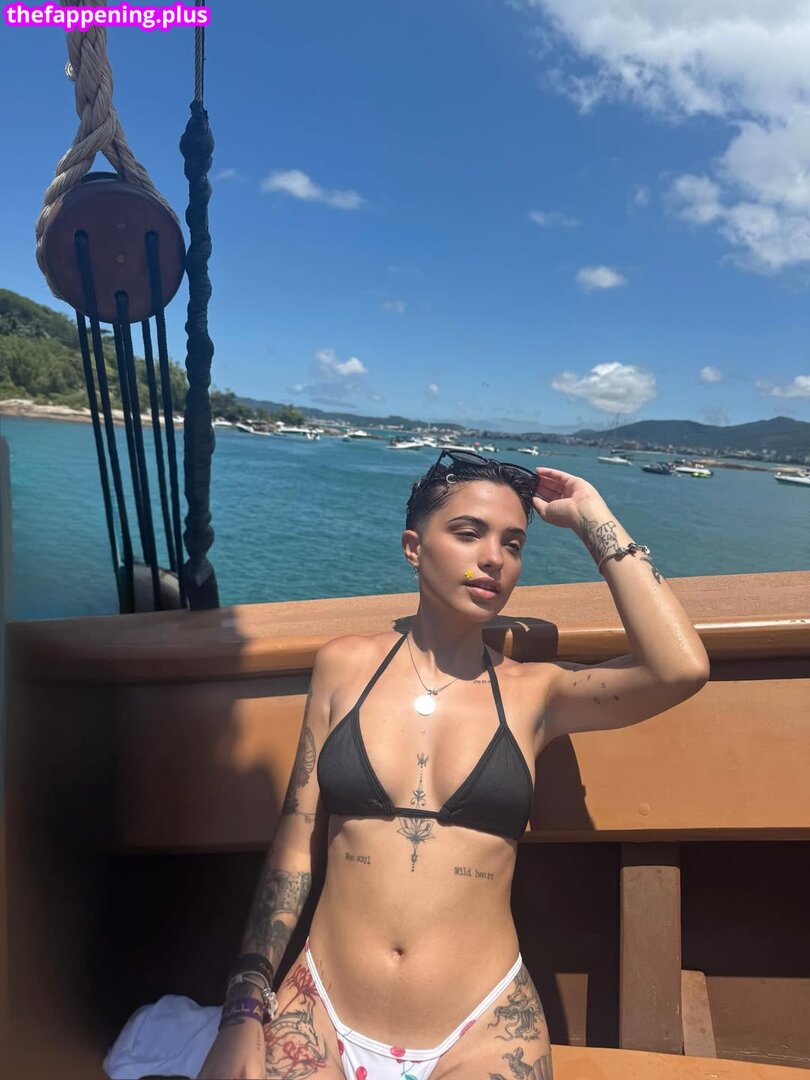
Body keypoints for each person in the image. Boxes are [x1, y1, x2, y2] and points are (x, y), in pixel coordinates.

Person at [198, 452, 710, 1079]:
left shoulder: (536, 694)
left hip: (484, 1029)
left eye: (513, 544)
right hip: (320, 1011)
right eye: (469, 533)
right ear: (414, 548)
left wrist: (591, 519)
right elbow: (295, 844)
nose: (494, 558)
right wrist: (243, 1007)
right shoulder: (343, 666)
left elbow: (679, 667)